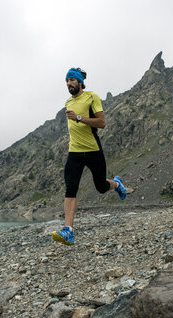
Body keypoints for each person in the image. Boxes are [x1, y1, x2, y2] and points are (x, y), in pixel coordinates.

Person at [52, 67, 127, 246]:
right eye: (66, 81)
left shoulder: (91, 97)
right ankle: (68, 231)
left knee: (101, 186)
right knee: (70, 187)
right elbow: (73, 128)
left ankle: (116, 184)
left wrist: (79, 117)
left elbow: (102, 123)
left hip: (93, 150)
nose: (68, 83)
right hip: (75, 153)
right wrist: (72, 141)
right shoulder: (68, 102)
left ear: (79, 82)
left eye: (71, 80)